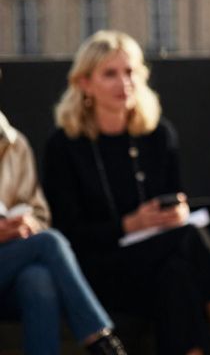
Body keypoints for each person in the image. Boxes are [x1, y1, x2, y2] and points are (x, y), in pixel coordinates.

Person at [42, 31, 210, 355]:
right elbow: (66, 234)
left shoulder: (158, 134)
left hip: (156, 260)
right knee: (186, 240)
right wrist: (127, 225)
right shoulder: (64, 146)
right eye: (110, 74)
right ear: (84, 83)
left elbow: (174, 197)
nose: (124, 82)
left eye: (130, 71)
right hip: (98, 270)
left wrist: (175, 213)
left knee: (176, 274)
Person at [0, 109, 125, 355]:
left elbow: (39, 215)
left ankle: (100, 340)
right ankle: (101, 339)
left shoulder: (14, 143)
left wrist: (21, 226)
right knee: (49, 242)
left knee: (38, 280)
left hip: (12, 263)